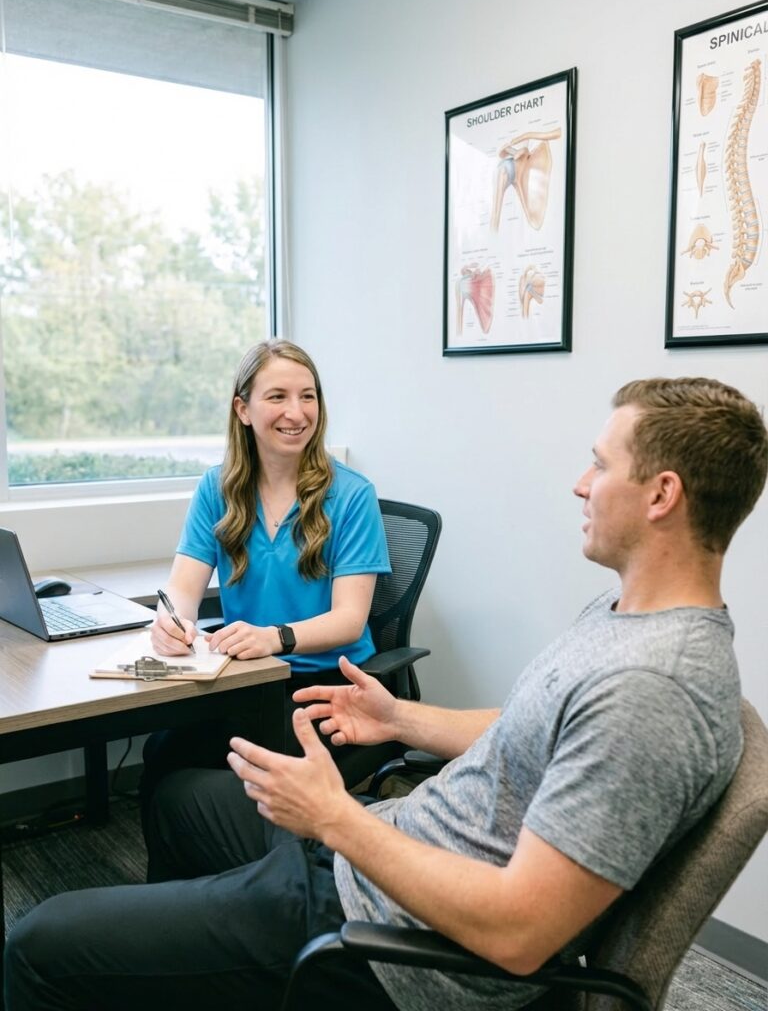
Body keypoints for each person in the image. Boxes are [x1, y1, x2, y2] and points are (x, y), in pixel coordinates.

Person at [5, 377, 767, 1011]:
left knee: (37, 944)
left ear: (662, 494)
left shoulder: (650, 692)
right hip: (384, 848)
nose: (580, 482)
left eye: (599, 465)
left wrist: (336, 818)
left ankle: (212, 954)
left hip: (389, 944)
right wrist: (399, 715)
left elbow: (519, 933)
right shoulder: (624, 616)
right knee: (177, 798)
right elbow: (530, 728)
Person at [140, 338, 391, 813]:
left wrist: (274, 637)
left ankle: (261, 880)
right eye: (277, 396)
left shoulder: (352, 496)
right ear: (243, 409)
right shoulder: (217, 488)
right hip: (247, 681)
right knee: (163, 751)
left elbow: (349, 621)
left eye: (308, 395)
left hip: (325, 688)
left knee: (232, 777)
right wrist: (170, 623)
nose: (297, 412)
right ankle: (188, 884)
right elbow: (182, 588)